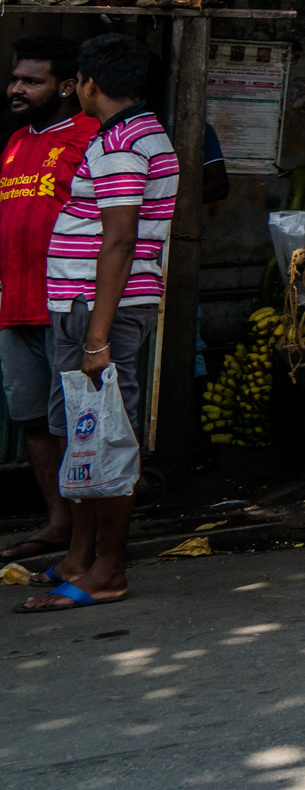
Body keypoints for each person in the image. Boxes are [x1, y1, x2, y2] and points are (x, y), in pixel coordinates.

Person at [21, 34, 175, 613]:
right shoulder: (130, 134)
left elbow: (119, 238)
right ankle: (79, 559)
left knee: (104, 436)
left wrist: (97, 337)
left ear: (89, 82)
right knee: (83, 435)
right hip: (84, 306)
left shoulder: (123, 142)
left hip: (98, 309)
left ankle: (108, 568)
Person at [0, 37, 94, 566]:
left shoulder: (88, 138)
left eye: (30, 80)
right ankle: (58, 524)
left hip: (68, 305)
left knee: (78, 421)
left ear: (65, 86)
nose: (16, 88)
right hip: (14, 306)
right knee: (33, 418)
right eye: (15, 78)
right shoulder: (14, 142)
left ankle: (87, 535)